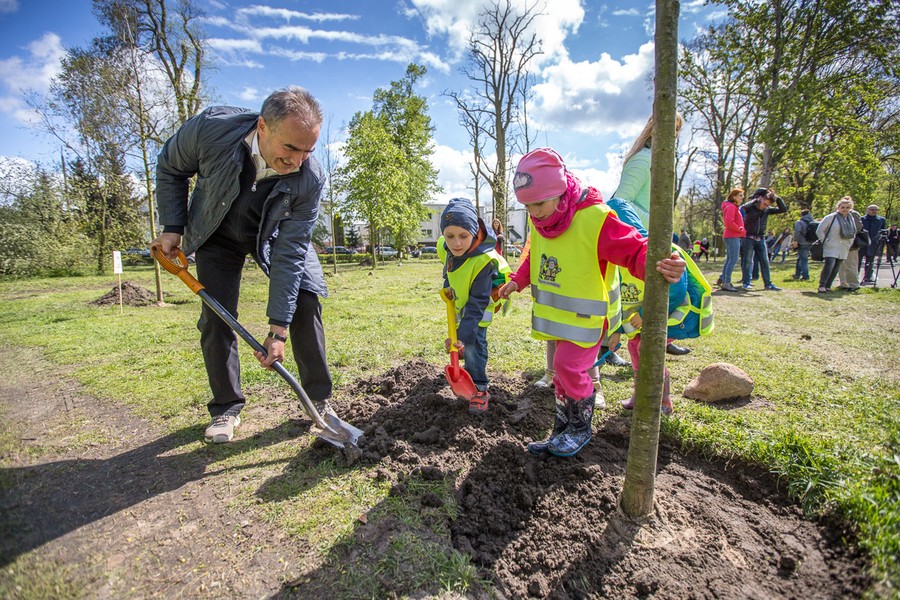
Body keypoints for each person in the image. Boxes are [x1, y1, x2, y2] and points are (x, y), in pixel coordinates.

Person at [153, 87, 336, 444]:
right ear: (263, 127)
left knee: (306, 298)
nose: (298, 160)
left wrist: (277, 329)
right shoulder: (211, 129)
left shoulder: (309, 177)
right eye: (290, 148)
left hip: (272, 236)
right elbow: (170, 166)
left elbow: (292, 250)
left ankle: (318, 402)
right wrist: (173, 227)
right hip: (216, 233)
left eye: (308, 151)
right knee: (217, 315)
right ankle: (226, 408)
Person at [498, 147, 687, 458]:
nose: (533, 213)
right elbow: (536, 258)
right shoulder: (542, 221)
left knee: (566, 366)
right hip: (559, 319)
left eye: (539, 204)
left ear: (560, 192)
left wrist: (661, 263)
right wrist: (518, 280)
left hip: (587, 318)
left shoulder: (595, 219)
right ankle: (562, 427)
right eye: (527, 206)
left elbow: (635, 249)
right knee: (562, 373)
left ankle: (580, 427)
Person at [606, 114, 698, 357]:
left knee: (665, 290)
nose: (674, 135)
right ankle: (608, 349)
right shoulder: (642, 160)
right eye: (670, 128)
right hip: (639, 241)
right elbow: (619, 201)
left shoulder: (661, 163)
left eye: (677, 130)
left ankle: (663, 339)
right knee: (626, 296)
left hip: (656, 238)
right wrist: (652, 226)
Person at [437, 198, 511, 413]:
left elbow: (478, 303)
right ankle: (464, 355)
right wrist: (448, 285)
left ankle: (479, 386)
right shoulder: (447, 247)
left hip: (481, 306)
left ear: (474, 232)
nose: (456, 243)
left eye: (463, 236)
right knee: (464, 338)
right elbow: (449, 266)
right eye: (450, 236)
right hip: (462, 301)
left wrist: (462, 335)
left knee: (473, 343)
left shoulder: (484, 261)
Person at [740, 188, 787, 291]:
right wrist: (755, 200)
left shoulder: (767, 210)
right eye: (764, 204)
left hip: (760, 238)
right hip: (748, 237)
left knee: (765, 261)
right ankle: (746, 282)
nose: (764, 206)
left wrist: (777, 197)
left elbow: (783, 209)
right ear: (760, 199)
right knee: (747, 260)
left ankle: (768, 284)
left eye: (767, 205)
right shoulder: (750, 207)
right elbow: (742, 208)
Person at [816, 196, 860, 293]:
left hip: (844, 246)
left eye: (847, 208)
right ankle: (822, 285)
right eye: (843, 207)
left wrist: (850, 243)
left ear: (850, 208)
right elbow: (820, 230)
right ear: (838, 207)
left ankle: (828, 286)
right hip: (831, 245)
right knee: (829, 264)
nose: (845, 209)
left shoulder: (850, 218)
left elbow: (854, 231)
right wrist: (826, 241)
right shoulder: (831, 217)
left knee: (836, 266)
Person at [719, 188, 745, 292]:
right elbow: (729, 222)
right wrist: (739, 228)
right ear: (734, 196)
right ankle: (726, 282)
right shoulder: (730, 207)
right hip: (732, 235)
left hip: (732, 235)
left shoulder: (733, 207)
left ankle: (724, 280)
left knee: (730, 259)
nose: (742, 198)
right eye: (740, 195)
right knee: (733, 259)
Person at [837, 203, 864, 291]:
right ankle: (844, 283)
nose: (845, 208)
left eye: (847, 206)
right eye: (843, 206)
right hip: (839, 244)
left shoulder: (854, 214)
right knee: (841, 265)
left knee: (850, 265)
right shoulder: (837, 215)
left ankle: (854, 284)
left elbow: (858, 227)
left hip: (851, 244)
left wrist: (847, 234)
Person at [860, 204, 887, 283]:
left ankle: (868, 277)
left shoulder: (881, 219)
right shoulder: (862, 219)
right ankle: (855, 276)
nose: (874, 211)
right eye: (872, 209)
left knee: (870, 261)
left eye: (875, 209)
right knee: (858, 261)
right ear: (867, 210)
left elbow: (883, 230)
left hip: (874, 243)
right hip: (862, 242)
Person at [792, 209, 816, 281]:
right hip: (811, 242)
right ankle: (797, 274)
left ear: (801, 215)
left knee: (803, 260)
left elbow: (797, 231)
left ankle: (805, 276)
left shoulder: (799, 222)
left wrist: (795, 241)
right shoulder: (813, 222)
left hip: (802, 242)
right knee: (800, 258)